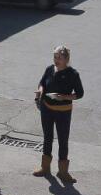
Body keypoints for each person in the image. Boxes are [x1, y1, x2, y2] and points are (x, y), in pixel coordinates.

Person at [33, 45, 85, 183]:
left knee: (63, 140)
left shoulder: (73, 74)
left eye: (59, 58)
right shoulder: (50, 69)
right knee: (47, 137)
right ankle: (45, 168)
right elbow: (42, 82)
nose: (56, 60)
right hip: (47, 109)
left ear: (66, 59)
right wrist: (40, 91)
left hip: (63, 111)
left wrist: (64, 97)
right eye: (55, 57)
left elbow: (79, 94)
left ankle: (63, 172)